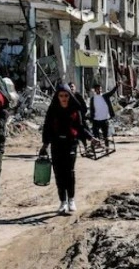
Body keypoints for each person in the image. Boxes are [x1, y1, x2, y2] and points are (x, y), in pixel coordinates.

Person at [39, 84, 97, 214]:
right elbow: (47, 128)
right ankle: (63, 201)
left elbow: (80, 128)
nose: (64, 98)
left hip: (71, 143)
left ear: (70, 96)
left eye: (66, 95)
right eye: (61, 96)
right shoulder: (53, 110)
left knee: (69, 172)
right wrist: (45, 145)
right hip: (56, 144)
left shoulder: (75, 110)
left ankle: (71, 199)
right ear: (57, 97)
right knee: (58, 173)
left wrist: (91, 138)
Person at [89, 81, 119, 149]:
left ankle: (107, 148)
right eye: (97, 89)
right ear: (95, 90)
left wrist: (117, 86)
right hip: (96, 119)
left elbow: (111, 92)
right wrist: (91, 118)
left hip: (104, 119)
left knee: (105, 135)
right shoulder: (93, 99)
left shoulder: (105, 96)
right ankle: (96, 147)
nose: (99, 90)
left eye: (100, 89)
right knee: (95, 135)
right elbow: (91, 109)